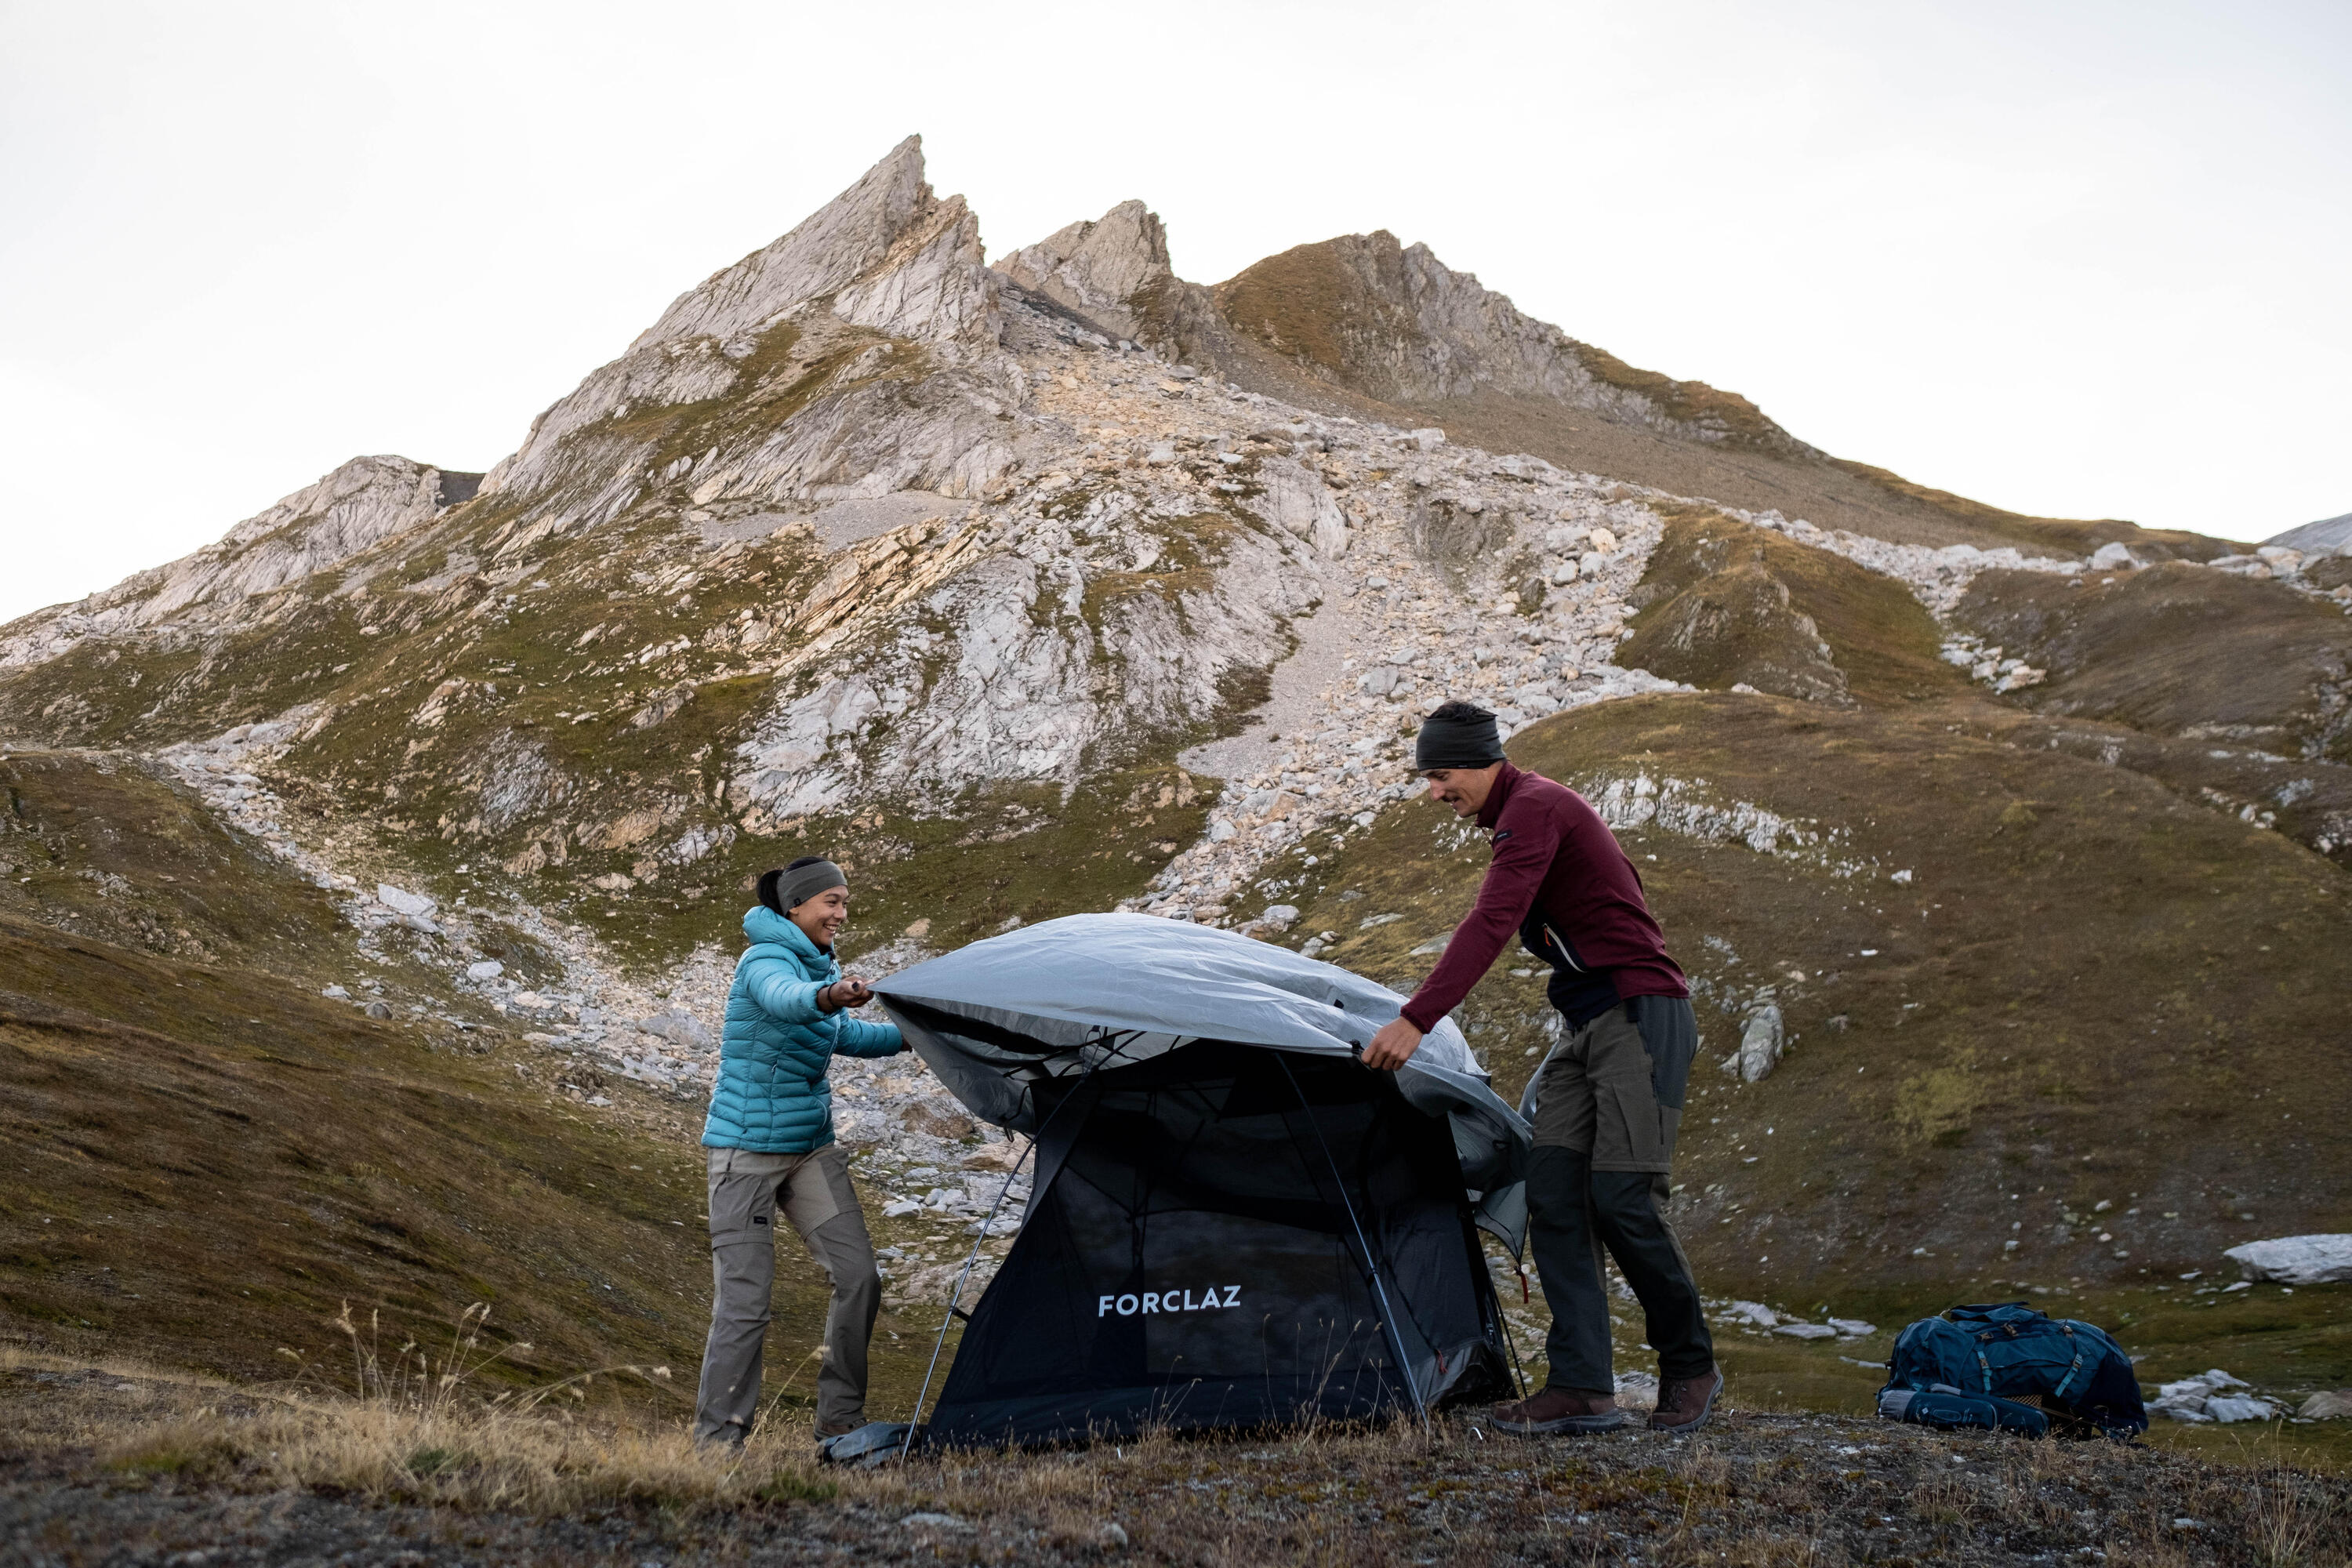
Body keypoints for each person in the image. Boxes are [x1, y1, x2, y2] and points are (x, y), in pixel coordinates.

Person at [1361, 701, 1720, 1436]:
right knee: (1552, 1189)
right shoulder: (1526, 816)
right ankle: (1584, 1388)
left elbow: (1491, 921)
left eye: (1443, 774)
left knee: (1624, 1197)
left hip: (1639, 1015)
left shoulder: (1536, 808)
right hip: (1587, 1025)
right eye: (1428, 778)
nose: (1435, 792)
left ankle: (1691, 1367)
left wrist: (1416, 1018)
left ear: (1485, 760)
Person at [693, 855, 907, 1447]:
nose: (842, 912)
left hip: (809, 1151)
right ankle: (718, 1450)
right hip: (744, 1159)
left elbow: (847, 1036)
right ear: (796, 907)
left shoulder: (819, 962)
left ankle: (839, 1422)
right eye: (831, 901)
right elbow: (788, 1000)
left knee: (860, 1277)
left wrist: (919, 1036)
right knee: (745, 1306)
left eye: (844, 901)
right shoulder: (765, 959)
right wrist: (832, 994)